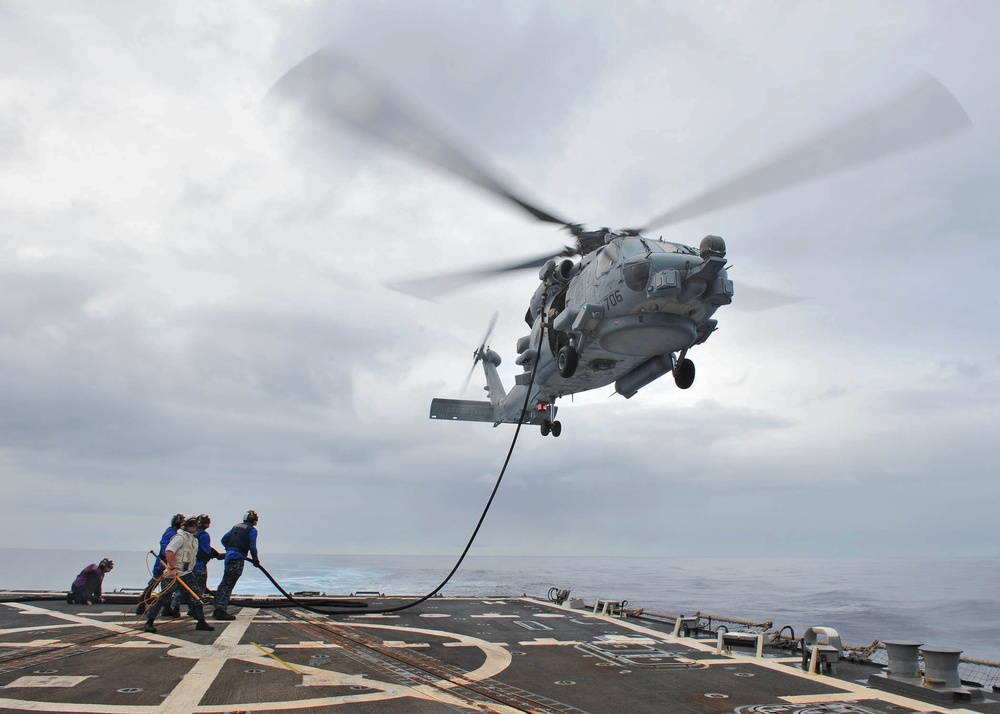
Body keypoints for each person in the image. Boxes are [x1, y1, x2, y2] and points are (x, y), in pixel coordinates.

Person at [142, 516, 214, 633]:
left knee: (195, 596)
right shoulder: (179, 538)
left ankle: (201, 621)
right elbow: (169, 552)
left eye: (195, 524)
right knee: (162, 598)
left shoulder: (193, 539)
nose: (194, 527)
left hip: (187, 573)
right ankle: (149, 622)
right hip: (174, 574)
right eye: (191, 524)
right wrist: (173, 568)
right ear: (185, 526)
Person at [170, 513, 223, 615]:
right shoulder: (203, 535)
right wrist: (217, 555)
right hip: (199, 565)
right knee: (199, 588)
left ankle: (175, 607)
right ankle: (194, 610)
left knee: (183, 587)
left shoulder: (191, 534)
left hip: (189, 566)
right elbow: (206, 550)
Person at [212, 510, 260, 621]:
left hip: (229, 557)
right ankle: (221, 610)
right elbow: (252, 547)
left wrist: (229, 548)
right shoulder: (252, 530)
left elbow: (224, 539)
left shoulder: (236, 526)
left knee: (225, 582)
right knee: (228, 584)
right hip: (238, 558)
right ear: (254, 520)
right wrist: (255, 560)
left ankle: (218, 607)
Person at [137, 513, 185, 616]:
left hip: (166, 562)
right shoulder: (171, 533)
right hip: (163, 563)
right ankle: (141, 604)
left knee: (166, 587)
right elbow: (165, 547)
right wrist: (168, 557)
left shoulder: (172, 532)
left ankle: (166, 608)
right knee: (154, 583)